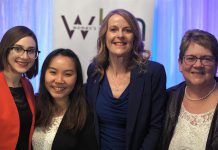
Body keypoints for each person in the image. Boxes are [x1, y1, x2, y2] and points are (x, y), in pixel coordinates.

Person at [85, 9, 167, 150]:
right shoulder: (95, 71)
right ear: (104, 36)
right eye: (113, 29)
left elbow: (156, 128)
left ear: (135, 37)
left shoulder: (153, 73)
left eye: (127, 30)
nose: (120, 35)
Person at [160, 29, 218, 150]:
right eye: (191, 58)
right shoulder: (166, 98)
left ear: (216, 64)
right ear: (180, 64)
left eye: (206, 59)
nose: (198, 65)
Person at [32, 48, 98, 150]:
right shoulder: (33, 105)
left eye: (67, 74)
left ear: (77, 78)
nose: (59, 80)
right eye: (53, 72)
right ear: (44, 74)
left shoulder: (85, 115)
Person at [0, 26, 40, 149]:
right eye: (18, 49)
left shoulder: (27, 85)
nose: (25, 56)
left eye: (31, 50)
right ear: (6, 49)